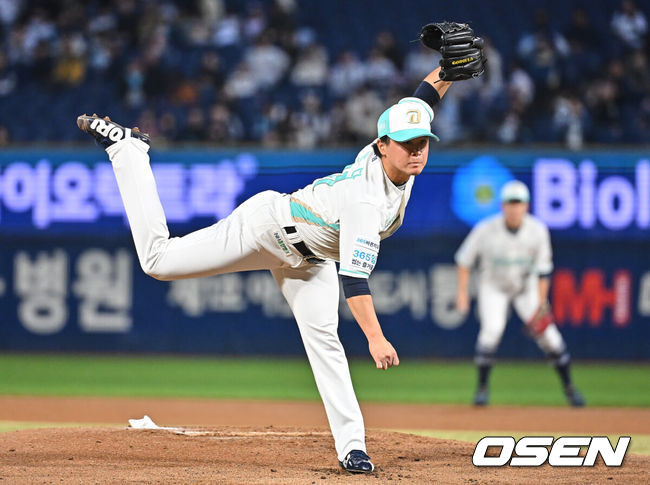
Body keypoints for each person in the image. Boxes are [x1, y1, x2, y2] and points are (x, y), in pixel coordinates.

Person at [76, 60, 456, 472]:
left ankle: (352, 447)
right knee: (158, 261)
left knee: (325, 342)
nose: (417, 150)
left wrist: (447, 70)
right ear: (382, 145)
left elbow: (421, 102)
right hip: (267, 229)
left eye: (422, 141)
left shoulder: (393, 161)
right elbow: (354, 279)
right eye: (407, 143)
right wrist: (376, 338)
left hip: (309, 261)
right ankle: (129, 151)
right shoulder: (366, 202)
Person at [455, 181, 585, 407]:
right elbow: (463, 260)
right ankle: (482, 388)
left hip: (526, 288)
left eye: (519, 203)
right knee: (491, 332)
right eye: (510, 203)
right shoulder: (485, 229)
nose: (515, 208)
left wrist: (541, 304)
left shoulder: (537, 230)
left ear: (527, 206)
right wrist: (462, 293)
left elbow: (543, 271)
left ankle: (570, 388)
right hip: (493, 286)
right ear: (502, 206)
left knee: (550, 337)